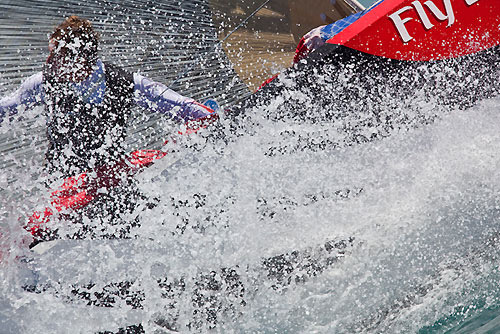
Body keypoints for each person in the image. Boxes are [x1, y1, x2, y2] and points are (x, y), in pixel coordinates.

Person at [0, 16, 217, 178]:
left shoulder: (125, 83)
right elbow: (7, 110)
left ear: (81, 59)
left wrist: (209, 120)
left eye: (55, 55)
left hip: (107, 180)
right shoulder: (42, 83)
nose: (48, 61)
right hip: (62, 183)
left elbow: (184, 108)